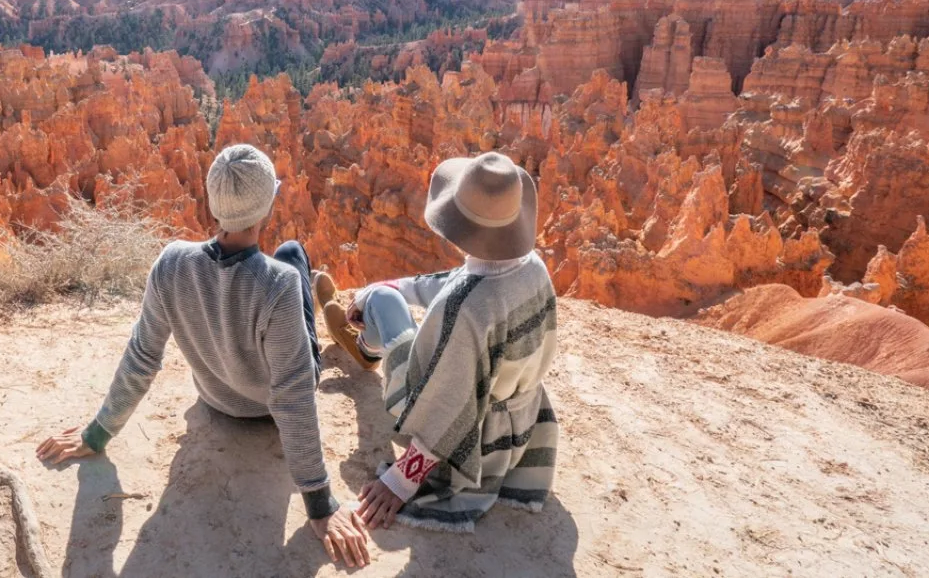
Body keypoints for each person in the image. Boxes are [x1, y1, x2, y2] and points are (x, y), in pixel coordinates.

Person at [37, 144, 371, 568]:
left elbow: (142, 357)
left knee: (287, 263)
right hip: (265, 406)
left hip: (216, 400)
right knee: (292, 253)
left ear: (213, 202)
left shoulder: (170, 262)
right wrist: (320, 505)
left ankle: (318, 299)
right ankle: (330, 309)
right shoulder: (278, 285)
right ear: (267, 204)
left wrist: (98, 434)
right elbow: (292, 397)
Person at [317, 150, 559, 534]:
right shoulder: (533, 268)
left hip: (469, 440)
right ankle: (365, 339)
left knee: (385, 304)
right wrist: (383, 286)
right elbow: (455, 281)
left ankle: (366, 348)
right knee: (384, 294)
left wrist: (400, 481)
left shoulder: (466, 309)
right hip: (518, 425)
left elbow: (447, 406)